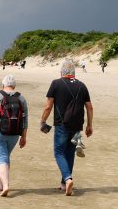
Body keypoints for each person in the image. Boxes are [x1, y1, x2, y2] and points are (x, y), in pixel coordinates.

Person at [39, 59, 93, 196]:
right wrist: (89, 125)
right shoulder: (82, 85)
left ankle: (68, 179)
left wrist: (43, 121)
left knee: (58, 152)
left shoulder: (56, 84)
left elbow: (48, 106)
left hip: (62, 125)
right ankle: (64, 183)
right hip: (77, 126)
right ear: (73, 73)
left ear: (61, 72)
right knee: (69, 153)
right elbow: (89, 107)